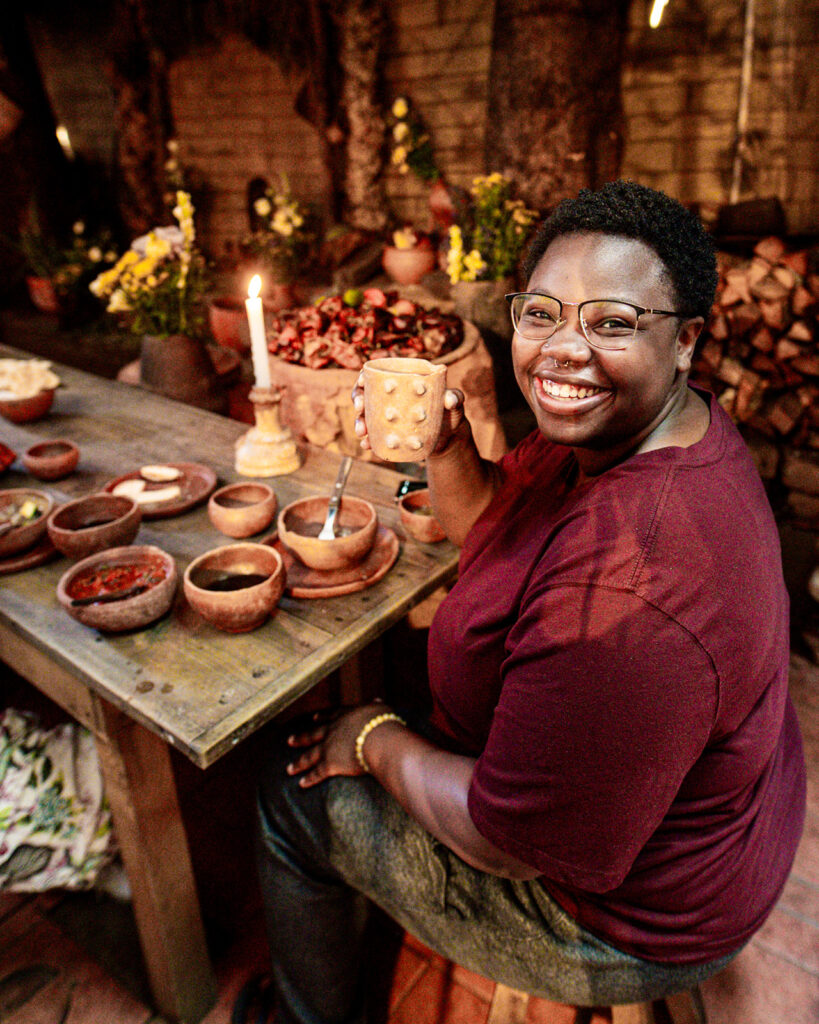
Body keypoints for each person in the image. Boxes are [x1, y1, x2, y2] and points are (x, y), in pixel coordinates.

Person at [255, 180, 806, 1024]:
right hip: (720, 822)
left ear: (687, 339)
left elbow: (505, 846)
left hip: (624, 925)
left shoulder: (628, 598)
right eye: (541, 312)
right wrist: (443, 447)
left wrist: (367, 736)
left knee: (291, 796)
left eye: (612, 323)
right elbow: (494, 527)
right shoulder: (640, 427)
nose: (561, 350)